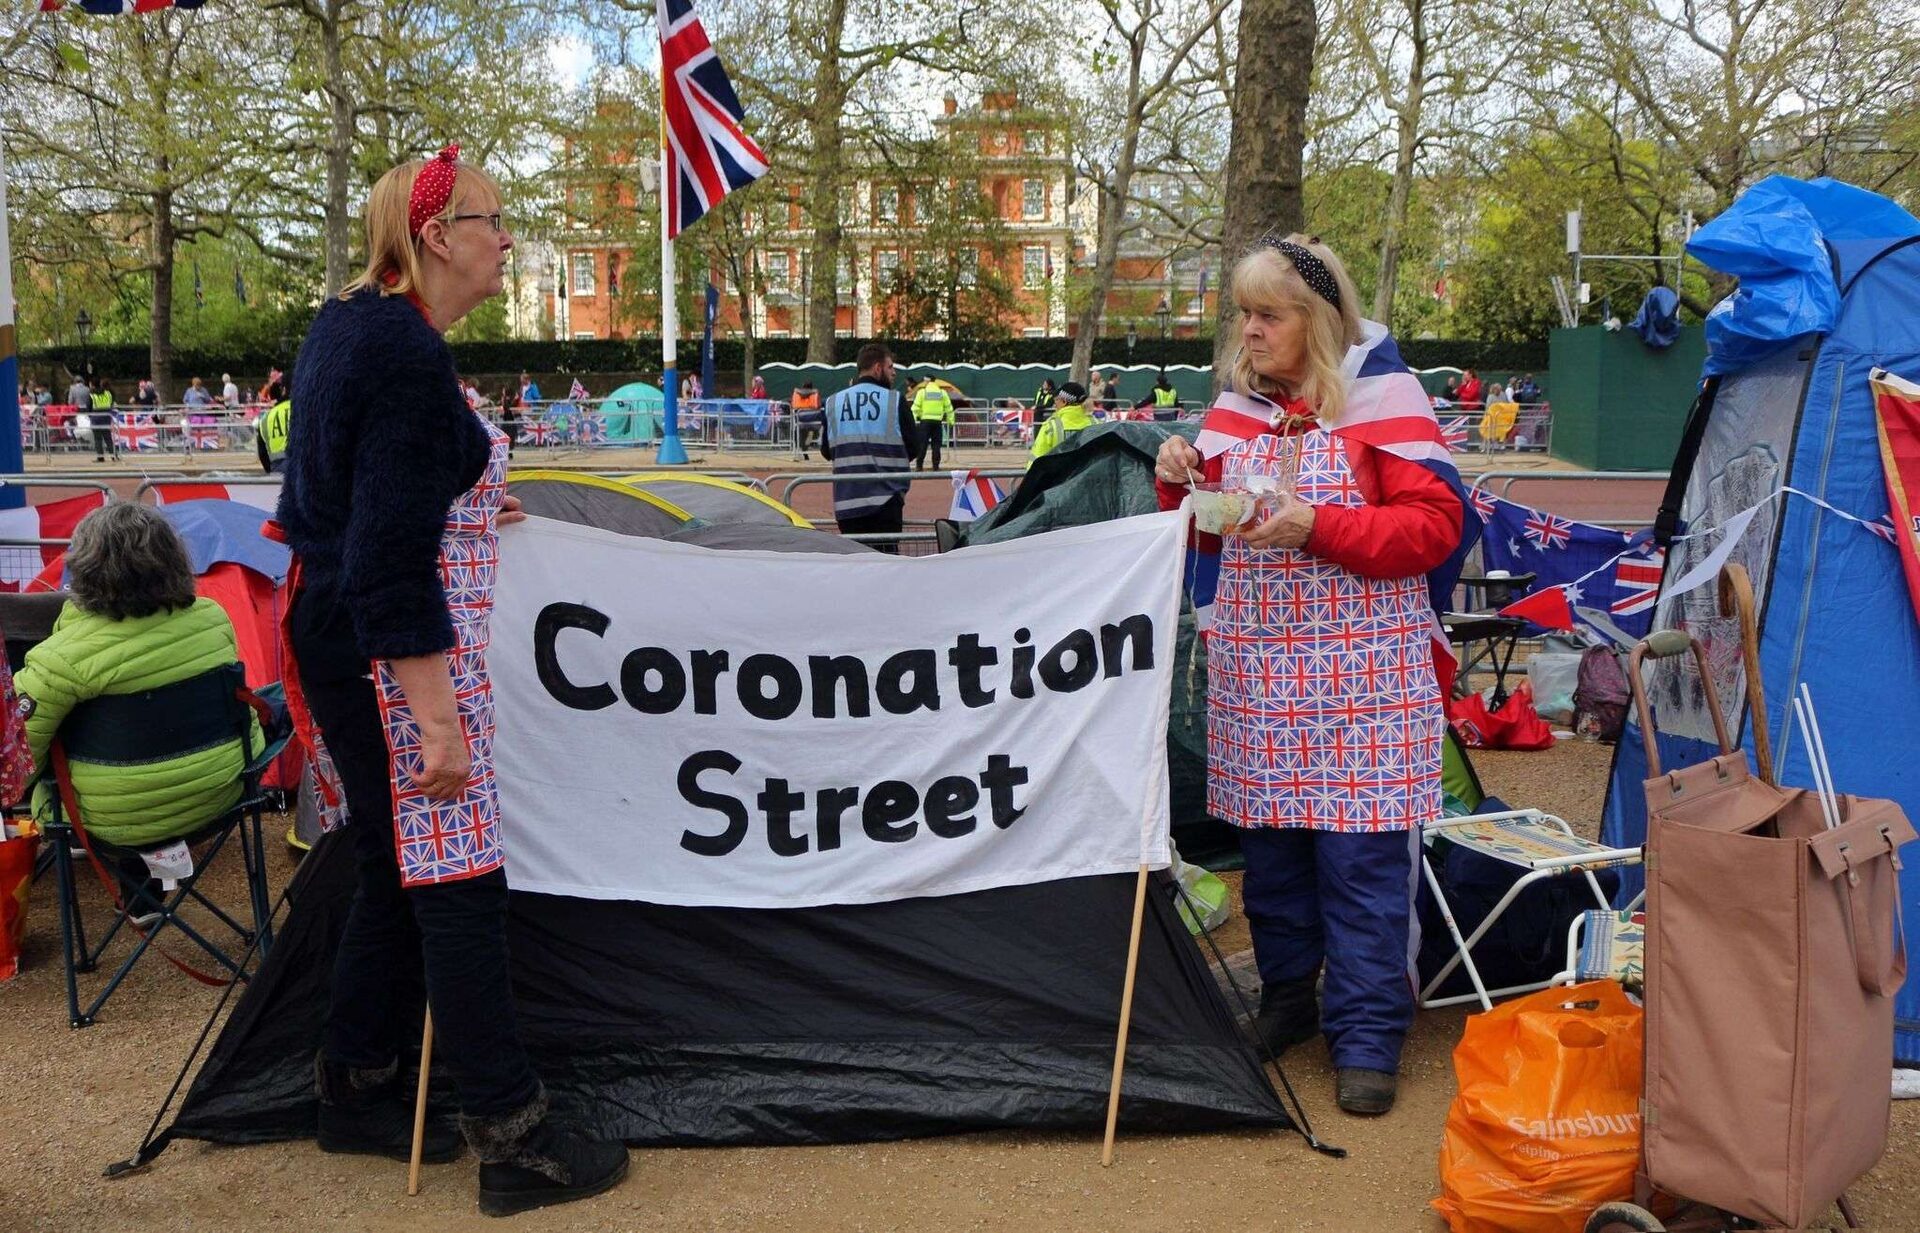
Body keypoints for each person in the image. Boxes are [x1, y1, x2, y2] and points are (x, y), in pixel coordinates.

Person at [277, 145, 628, 1215]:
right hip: (395, 652)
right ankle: (515, 1139)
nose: (506, 237)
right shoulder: (402, 354)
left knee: (394, 864)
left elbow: (362, 490)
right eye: (492, 218)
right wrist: (437, 721)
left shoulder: (352, 324)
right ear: (436, 236)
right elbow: (385, 555)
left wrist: (470, 501)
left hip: (340, 631)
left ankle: (356, 1088)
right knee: (459, 878)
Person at [1153, 233, 1461, 1117]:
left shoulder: (1384, 402)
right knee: (1275, 858)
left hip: (1364, 682)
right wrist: (1180, 481)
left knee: (1363, 867)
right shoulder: (1237, 410)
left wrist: (1317, 528)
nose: (1247, 332)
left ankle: (1367, 1034)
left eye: (1267, 315)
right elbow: (1207, 533)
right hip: (1260, 677)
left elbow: (1435, 529)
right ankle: (1290, 998)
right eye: (1243, 314)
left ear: (1317, 322)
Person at [15, 503, 262, 918]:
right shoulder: (214, 619)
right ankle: (142, 880)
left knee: (55, 752)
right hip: (220, 795)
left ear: (85, 569)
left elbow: (16, 762)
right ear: (173, 558)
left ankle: (132, 877)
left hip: (109, 818)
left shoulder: (59, 659)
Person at [819, 342, 916, 553]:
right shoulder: (894, 400)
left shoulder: (833, 402)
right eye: (891, 367)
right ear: (878, 368)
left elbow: (826, 450)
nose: (894, 372)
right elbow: (914, 446)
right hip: (887, 500)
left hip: (847, 501)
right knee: (887, 565)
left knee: (856, 566)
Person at [1030, 381, 1093, 461]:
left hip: (1058, 473)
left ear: (1064, 402)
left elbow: (1036, 459)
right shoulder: (1096, 424)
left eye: (1056, 400)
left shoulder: (1050, 427)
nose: (1054, 404)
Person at [909, 378, 955, 471]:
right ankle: (936, 466)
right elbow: (949, 408)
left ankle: (919, 466)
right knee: (936, 445)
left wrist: (912, 421)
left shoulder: (922, 392)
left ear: (927, 383)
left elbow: (915, 408)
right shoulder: (942, 393)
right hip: (937, 422)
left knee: (922, 445)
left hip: (925, 422)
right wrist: (951, 421)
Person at [256, 380, 292, 475]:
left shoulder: (266, 418)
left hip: (277, 470)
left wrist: (269, 471)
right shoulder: (302, 409)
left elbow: (262, 452)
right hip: (301, 468)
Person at [789, 379, 823, 459]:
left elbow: (792, 405)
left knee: (800, 434)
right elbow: (819, 405)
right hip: (814, 421)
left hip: (800, 419)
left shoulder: (796, 393)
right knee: (810, 435)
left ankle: (800, 450)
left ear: (803, 386)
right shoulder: (815, 393)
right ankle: (805, 450)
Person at [87, 379, 118, 462]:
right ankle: (114, 455)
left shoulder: (91, 395)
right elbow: (111, 403)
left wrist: (90, 416)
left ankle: (100, 457)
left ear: (92, 385)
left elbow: (88, 408)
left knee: (97, 439)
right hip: (106, 417)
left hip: (95, 418)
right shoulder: (108, 393)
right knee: (108, 437)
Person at [498, 385, 521, 460]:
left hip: (508, 421)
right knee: (508, 437)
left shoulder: (507, 400)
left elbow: (507, 407)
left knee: (510, 437)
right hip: (507, 420)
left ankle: (509, 452)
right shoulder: (511, 400)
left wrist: (514, 399)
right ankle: (507, 452)